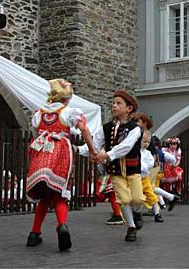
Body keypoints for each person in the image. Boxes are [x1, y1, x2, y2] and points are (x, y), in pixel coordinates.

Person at [26, 79, 97, 251]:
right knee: (59, 194)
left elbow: (35, 136)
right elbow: (85, 130)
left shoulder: (38, 114)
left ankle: (34, 234)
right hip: (60, 154)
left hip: (42, 153)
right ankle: (62, 224)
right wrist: (92, 150)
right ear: (67, 98)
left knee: (44, 196)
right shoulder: (69, 112)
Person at [77, 90, 146, 241]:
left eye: (119, 103)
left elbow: (126, 147)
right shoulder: (106, 128)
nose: (114, 106)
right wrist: (79, 150)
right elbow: (94, 144)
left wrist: (107, 155)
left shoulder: (135, 128)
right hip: (115, 171)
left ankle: (138, 212)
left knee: (137, 198)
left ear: (129, 109)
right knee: (123, 199)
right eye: (113, 103)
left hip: (132, 170)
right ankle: (131, 227)